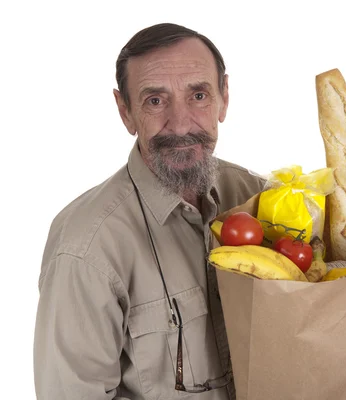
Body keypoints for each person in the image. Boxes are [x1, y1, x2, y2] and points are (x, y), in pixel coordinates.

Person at [33, 23, 265, 399]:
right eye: (155, 101)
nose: (180, 123)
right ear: (125, 112)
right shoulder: (86, 247)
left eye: (199, 95)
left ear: (224, 97)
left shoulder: (259, 200)